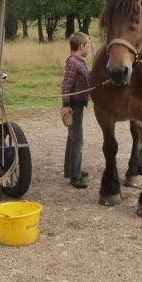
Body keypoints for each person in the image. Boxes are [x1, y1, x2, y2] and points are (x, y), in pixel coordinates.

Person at [61, 32, 91, 188]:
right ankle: (75, 176)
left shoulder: (79, 62)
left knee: (73, 138)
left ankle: (72, 169)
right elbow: (66, 85)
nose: (89, 48)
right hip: (74, 105)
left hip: (78, 104)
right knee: (77, 139)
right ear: (81, 46)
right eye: (88, 45)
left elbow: (84, 77)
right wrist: (66, 104)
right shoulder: (73, 62)